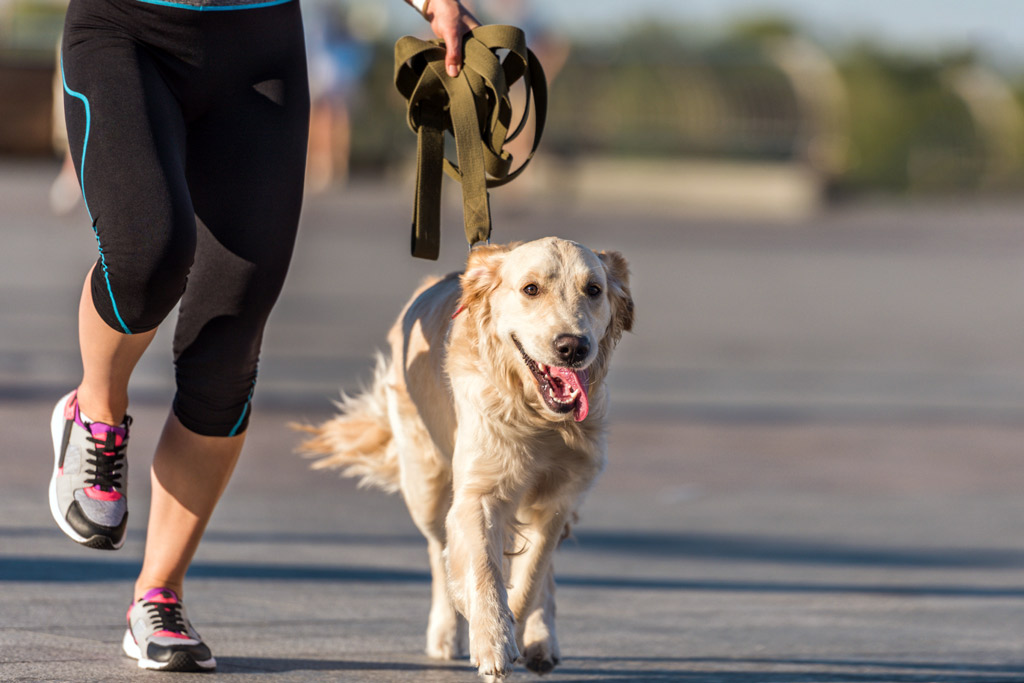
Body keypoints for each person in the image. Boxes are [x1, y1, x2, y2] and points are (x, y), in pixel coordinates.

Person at [47, 0, 478, 672]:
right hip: (125, 30)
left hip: (258, 48)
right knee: (149, 254)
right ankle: (95, 408)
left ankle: (158, 593)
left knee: (233, 326)